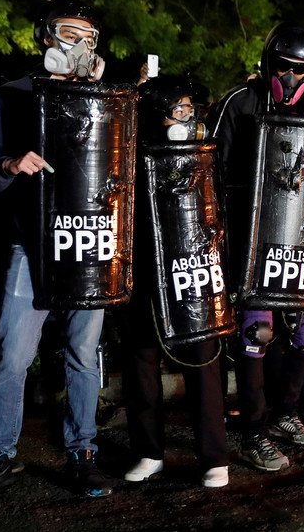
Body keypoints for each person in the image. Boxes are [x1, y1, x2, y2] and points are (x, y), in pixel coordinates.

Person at [0, 0, 113, 499]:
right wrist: (9, 165)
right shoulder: (14, 96)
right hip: (33, 247)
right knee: (13, 355)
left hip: (90, 245)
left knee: (84, 353)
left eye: (89, 38)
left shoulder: (104, 98)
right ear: (46, 36)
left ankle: (83, 454)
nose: (80, 46)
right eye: (70, 33)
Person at [211, 22, 304, 471]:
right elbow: (212, 167)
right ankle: (253, 432)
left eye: (302, 69)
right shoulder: (240, 102)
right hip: (249, 238)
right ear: (268, 64)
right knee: (255, 331)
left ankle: (285, 414)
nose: (293, 78)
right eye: (285, 68)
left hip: (297, 238)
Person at [119, 75, 231, 488]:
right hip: (145, 272)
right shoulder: (130, 155)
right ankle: (149, 451)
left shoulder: (204, 154)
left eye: (192, 110)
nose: (189, 118)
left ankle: (214, 456)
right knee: (141, 361)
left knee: (203, 357)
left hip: (192, 269)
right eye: (178, 110)